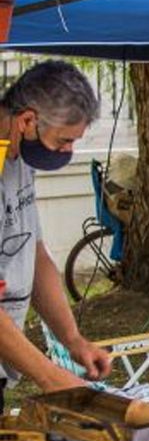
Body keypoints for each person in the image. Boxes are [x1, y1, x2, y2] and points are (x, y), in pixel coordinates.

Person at [0, 61, 111, 409]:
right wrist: (50, 378)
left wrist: (72, 339)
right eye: (64, 141)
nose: (68, 152)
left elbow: (33, 253)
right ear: (28, 120)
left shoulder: (17, 159)